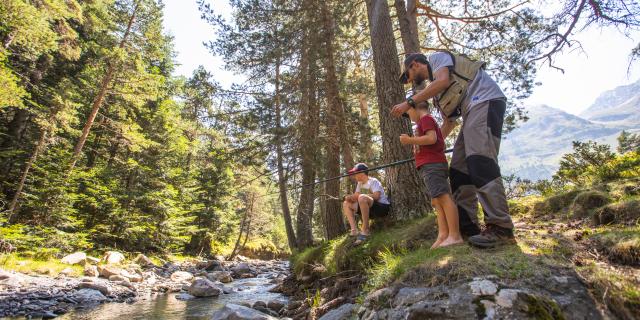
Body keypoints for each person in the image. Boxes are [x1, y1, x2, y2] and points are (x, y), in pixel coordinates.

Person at [391, 52, 516, 248]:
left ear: (414, 65)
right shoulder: (438, 95)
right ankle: (468, 226)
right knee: (458, 168)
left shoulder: (437, 59)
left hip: (485, 100)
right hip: (471, 112)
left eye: (407, 76)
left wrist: (410, 102)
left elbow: (442, 80)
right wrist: (430, 146)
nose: (408, 81)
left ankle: (500, 227)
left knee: (479, 160)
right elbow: (449, 123)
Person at [399, 101, 463, 248]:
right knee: (437, 201)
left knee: (444, 198)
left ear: (414, 108)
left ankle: (455, 235)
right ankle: (443, 235)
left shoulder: (426, 119)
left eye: (408, 113)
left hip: (432, 164)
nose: (409, 117)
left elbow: (432, 138)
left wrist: (410, 140)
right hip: (429, 166)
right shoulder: (424, 121)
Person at [342, 163, 390, 245]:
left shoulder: (373, 181)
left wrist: (360, 196)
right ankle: (354, 230)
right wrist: (350, 197)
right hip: (369, 209)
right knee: (346, 203)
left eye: (355, 173)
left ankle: (365, 230)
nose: (354, 175)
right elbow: (356, 196)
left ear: (362, 173)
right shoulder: (359, 184)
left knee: (362, 197)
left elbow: (376, 196)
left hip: (381, 208)